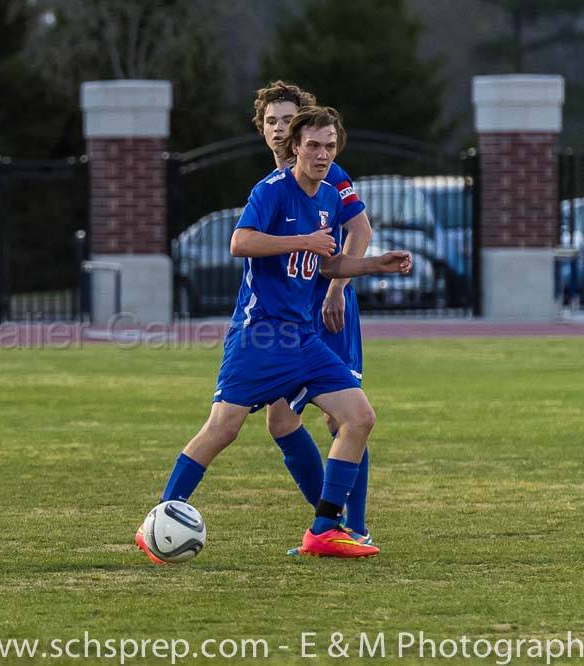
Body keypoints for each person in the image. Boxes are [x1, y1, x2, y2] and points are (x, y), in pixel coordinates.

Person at [137, 106, 411, 560]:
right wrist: (302, 240)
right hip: (261, 336)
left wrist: (370, 265)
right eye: (313, 146)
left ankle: (325, 529)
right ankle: (160, 517)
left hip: (303, 338)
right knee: (223, 428)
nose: (321, 155)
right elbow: (240, 242)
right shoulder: (272, 190)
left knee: (359, 417)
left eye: (329, 147)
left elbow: (322, 262)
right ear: (296, 148)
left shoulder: (327, 196)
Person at [254, 81, 374, 548]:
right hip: (287, 317)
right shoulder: (272, 185)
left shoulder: (329, 171)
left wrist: (338, 290)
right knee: (279, 418)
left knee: (339, 417)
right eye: (272, 121)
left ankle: (354, 527)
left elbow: (359, 230)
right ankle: (328, 521)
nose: (280, 127)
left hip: (327, 309)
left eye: (288, 118)